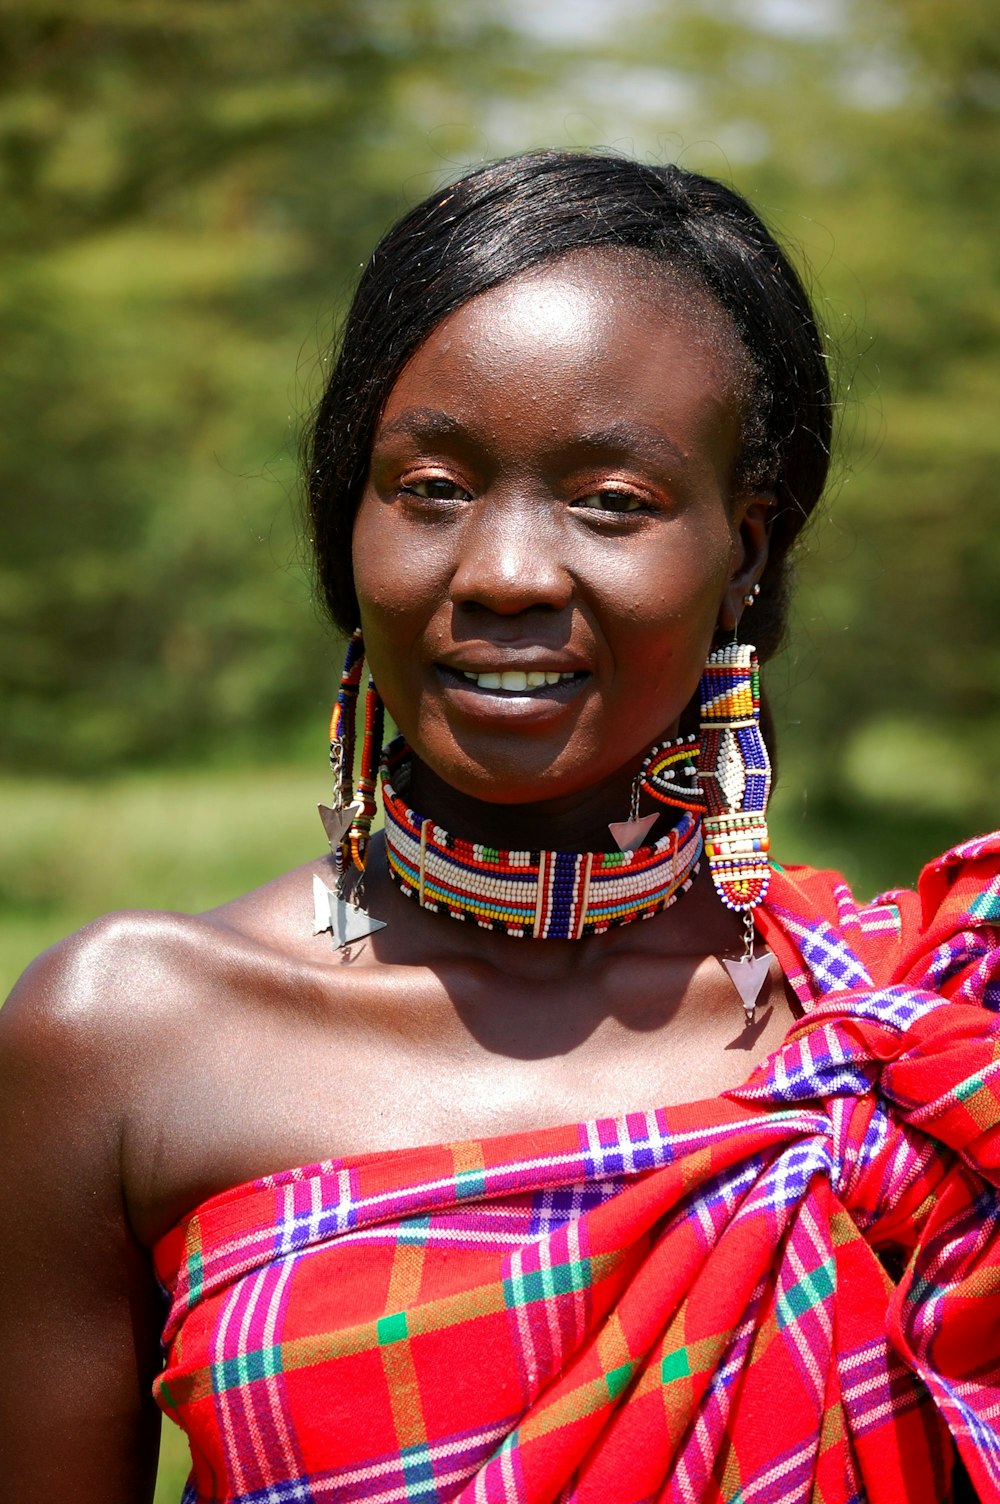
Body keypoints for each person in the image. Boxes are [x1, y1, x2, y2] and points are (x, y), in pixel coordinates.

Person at [0, 150, 997, 1504]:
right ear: (347, 519)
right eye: (429, 488)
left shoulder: (901, 1044)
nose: (505, 572)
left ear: (746, 550)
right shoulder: (121, 1036)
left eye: (611, 503)